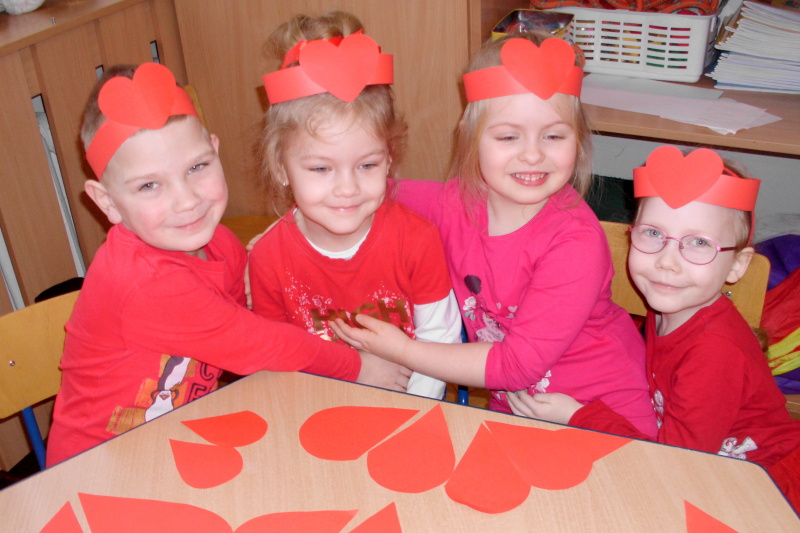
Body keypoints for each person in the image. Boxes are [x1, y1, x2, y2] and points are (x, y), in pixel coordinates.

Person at [46, 62, 409, 467]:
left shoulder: (221, 244)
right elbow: (262, 345)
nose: (187, 200)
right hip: (94, 467)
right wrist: (356, 367)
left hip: (175, 443)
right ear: (107, 202)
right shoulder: (147, 283)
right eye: (149, 185)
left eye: (197, 167)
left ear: (215, 152)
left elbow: (246, 330)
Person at [330, 32, 657, 437]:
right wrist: (288, 230)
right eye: (508, 136)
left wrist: (402, 351)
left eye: (554, 136)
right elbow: (365, 193)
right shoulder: (455, 203)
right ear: (470, 135)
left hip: (607, 420)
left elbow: (516, 366)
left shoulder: (576, 242)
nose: (533, 154)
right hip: (518, 415)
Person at [506, 145, 800, 513]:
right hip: (711, 466)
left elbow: (673, 464)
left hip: (767, 487)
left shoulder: (714, 353)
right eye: (653, 234)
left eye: (699, 243)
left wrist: (577, 416)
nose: (666, 262)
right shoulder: (667, 308)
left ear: (737, 265)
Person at [250, 12, 461, 399]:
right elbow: (275, 358)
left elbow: (439, 340)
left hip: (410, 404)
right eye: (321, 168)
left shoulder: (417, 240)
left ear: (389, 159)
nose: (347, 189)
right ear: (281, 168)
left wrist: (413, 411)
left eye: (367, 165)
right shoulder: (267, 258)